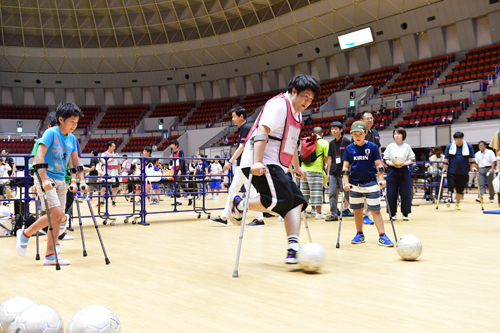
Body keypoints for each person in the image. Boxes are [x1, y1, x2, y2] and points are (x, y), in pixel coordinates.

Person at [236, 74, 320, 264]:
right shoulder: (279, 105)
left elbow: (292, 142)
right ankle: (239, 205)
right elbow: (262, 131)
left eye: (311, 98)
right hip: (258, 160)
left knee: (297, 201)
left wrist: (296, 166)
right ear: (294, 91)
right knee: (281, 199)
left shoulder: (297, 113)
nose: (308, 101)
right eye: (306, 96)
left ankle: (293, 247)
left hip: (276, 164)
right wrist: (258, 162)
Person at [15, 102, 86, 266]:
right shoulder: (51, 133)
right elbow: (38, 157)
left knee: (58, 218)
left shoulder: (73, 139)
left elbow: (76, 162)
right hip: (45, 178)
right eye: (71, 122)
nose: (74, 125)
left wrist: (81, 180)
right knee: (55, 215)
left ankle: (50, 255)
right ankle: (25, 234)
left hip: (61, 179)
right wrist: (45, 178)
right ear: (61, 119)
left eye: (76, 122)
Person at [210, 107, 265, 227]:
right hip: (241, 165)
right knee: (232, 190)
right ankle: (224, 217)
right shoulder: (242, 129)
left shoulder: (246, 128)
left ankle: (260, 219)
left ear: (241, 116)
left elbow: (241, 147)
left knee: (251, 191)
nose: (233, 119)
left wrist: (229, 162)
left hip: (246, 165)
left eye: (234, 116)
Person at [343, 121, 394, 247]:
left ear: (366, 133)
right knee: (358, 211)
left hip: (371, 184)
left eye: (359, 134)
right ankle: (359, 234)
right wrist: (346, 182)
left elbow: (379, 165)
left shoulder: (372, 147)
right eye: (354, 134)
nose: (357, 136)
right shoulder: (349, 149)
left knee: (375, 210)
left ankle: (382, 236)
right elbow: (345, 167)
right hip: (355, 185)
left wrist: (381, 179)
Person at [351, 111, 382, 225]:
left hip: (374, 166)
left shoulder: (375, 132)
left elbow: (378, 148)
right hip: (362, 167)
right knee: (363, 192)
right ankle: (365, 214)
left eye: (371, 118)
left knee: (373, 191)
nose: (370, 120)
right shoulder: (357, 134)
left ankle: (370, 211)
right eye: (367, 118)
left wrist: (380, 162)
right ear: (362, 120)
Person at [383, 128, 416, 221]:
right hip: (392, 170)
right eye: (395, 134)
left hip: (404, 169)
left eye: (399, 134)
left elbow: (411, 159)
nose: (397, 136)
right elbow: (386, 159)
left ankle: (405, 213)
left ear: (403, 135)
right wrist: (392, 164)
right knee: (391, 192)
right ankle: (392, 213)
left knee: (405, 192)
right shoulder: (390, 146)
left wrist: (404, 164)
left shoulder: (407, 146)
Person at [443, 132, 477, 210]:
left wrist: (474, 167)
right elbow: (446, 159)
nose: (459, 141)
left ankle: (457, 203)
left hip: (463, 171)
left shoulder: (468, 146)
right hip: (452, 170)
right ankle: (449, 197)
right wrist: (444, 168)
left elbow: (472, 158)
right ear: (454, 139)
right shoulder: (450, 146)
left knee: (460, 189)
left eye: (461, 139)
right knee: (451, 184)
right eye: (457, 139)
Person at [300, 127, 329, 219]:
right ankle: (319, 213)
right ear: (322, 134)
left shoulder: (306, 141)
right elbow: (327, 157)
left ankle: (303, 212)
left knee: (304, 193)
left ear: (312, 134)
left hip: (303, 170)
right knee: (317, 192)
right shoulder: (324, 142)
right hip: (316, 170)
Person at [326, 121, 352, 221]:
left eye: (336, 129)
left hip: (343, 173)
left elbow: (350, 157)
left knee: (347, 193)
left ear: (341, 130)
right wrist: (328, 174)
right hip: (333, 172)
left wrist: (348, 171)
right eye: (332, 129)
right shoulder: (331, 143)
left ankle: (357, 210)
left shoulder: (346, 142)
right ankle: (333, 214)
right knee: (332, 193)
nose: (333, 131)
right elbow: (330, 159)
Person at [99, 141, 120, 207]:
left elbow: (119, 163)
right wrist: (112, 158)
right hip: (107, 173)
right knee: (104, 188)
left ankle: (113, 201)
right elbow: (104, 163)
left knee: (115, 188)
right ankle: (102, 201)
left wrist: (120, 171)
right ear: (109, 146)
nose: (115, 147)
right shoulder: (104, 154)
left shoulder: (116, 154)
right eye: (113, 146)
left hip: (115, 172)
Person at [170, 139, 187, 205]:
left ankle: (191, 196)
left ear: (176, 145)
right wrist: (171, 159)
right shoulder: (172, 153)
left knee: (182, 185)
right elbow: (171, 163)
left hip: (180, 170)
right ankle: (179, 200)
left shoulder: (180, 151)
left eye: (172, 144)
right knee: (176, 185)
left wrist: (180, 170)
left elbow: (182, 161)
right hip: (175, 170)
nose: (171, 145)